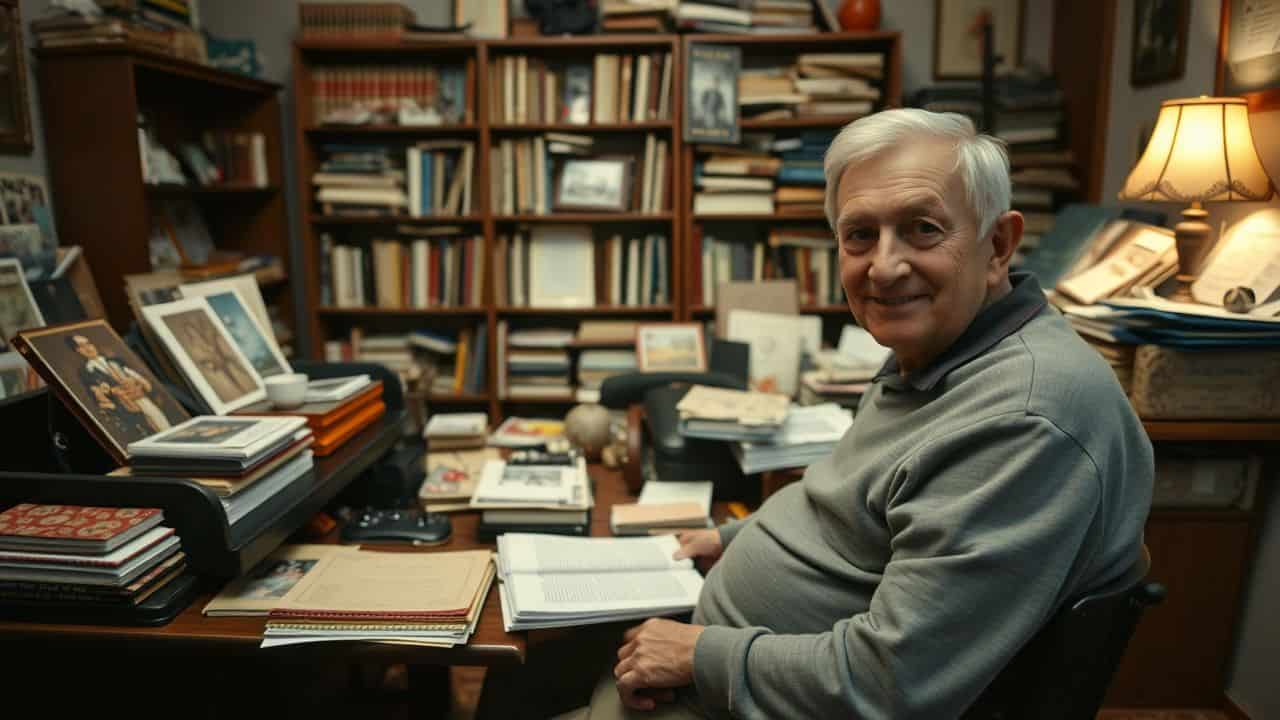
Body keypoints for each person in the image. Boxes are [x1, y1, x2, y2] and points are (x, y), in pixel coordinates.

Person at [478, 109, 1154, 720]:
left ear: (999, 245)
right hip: (723, 659)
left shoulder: (1024, 419)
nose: (884, 267)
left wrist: (697, 656)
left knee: (506, 673)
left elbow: (895, 685)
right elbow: (846, 505)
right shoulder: (939, 350)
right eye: (860, 235)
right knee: (510, 662)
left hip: (744, 697)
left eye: (922, 229)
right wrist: (732, 539)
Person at [70, 334, 172, 438]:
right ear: (77, 351)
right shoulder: (86, 372)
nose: (88, 348)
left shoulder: (115, 360)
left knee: (156, 417)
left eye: (88, 343)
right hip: (121, 406)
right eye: (82, 346)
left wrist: (135, 382)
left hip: (138, 396)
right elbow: (96, 394)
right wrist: (111, 392)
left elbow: (140, 379)